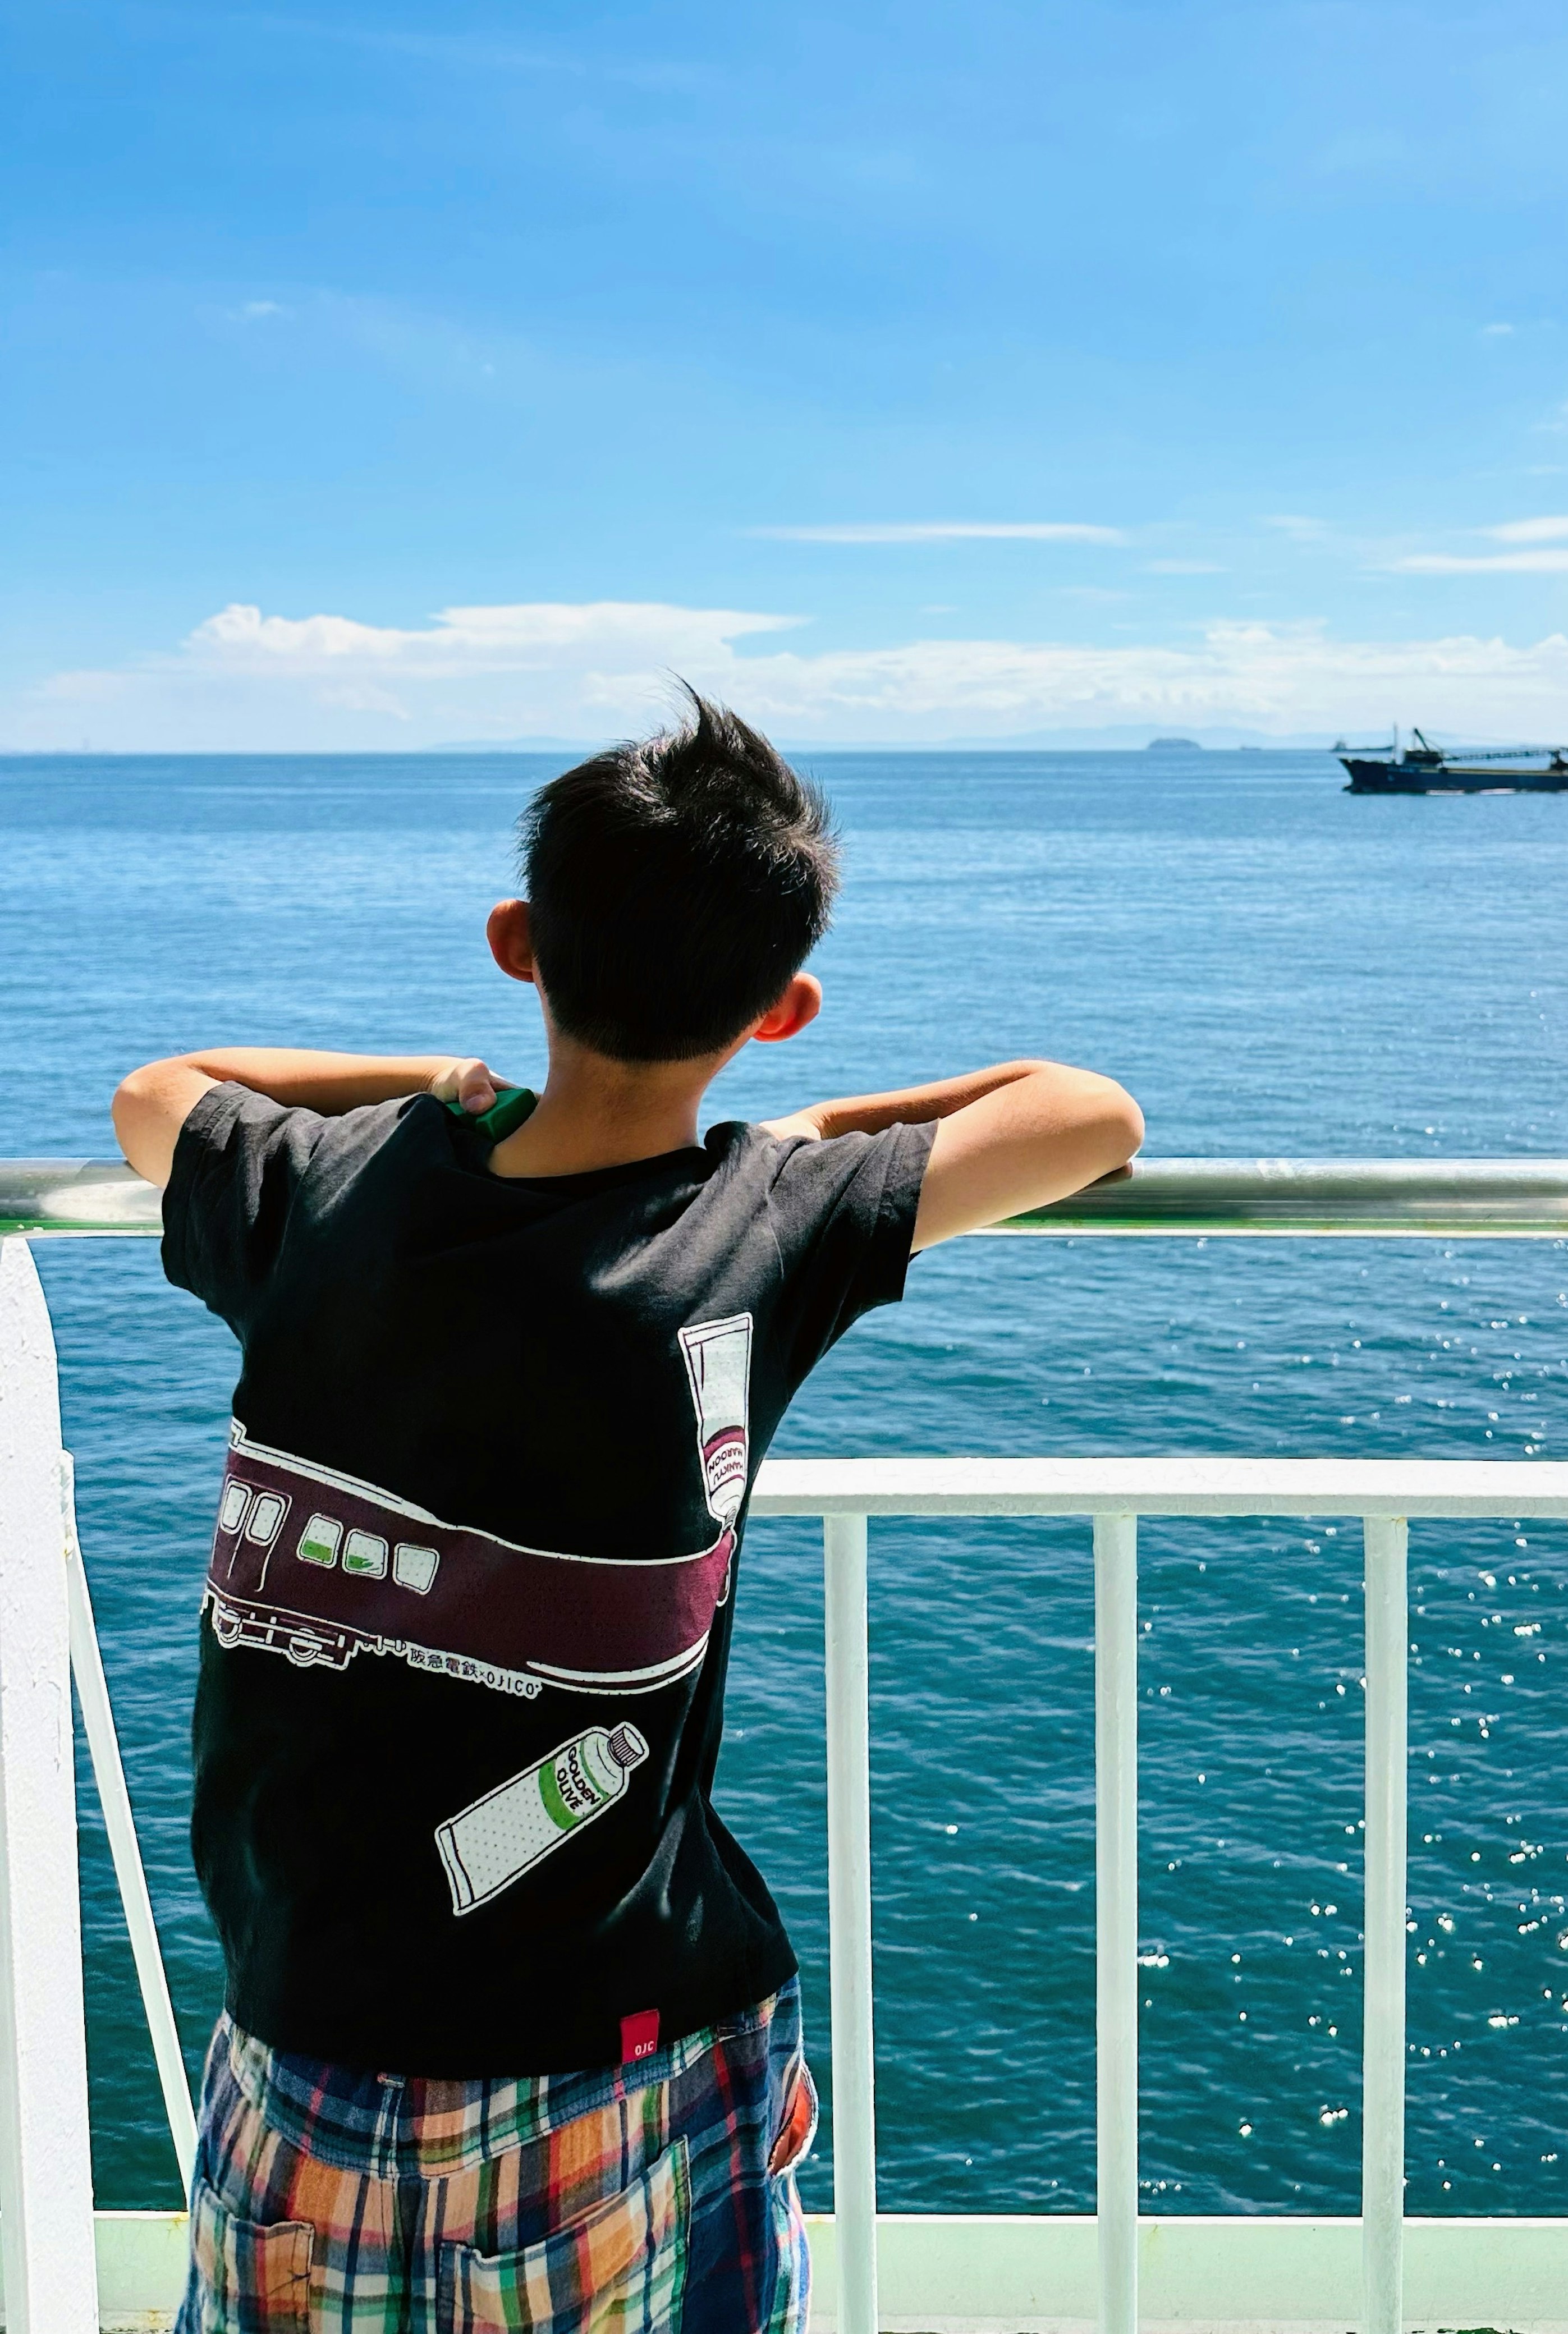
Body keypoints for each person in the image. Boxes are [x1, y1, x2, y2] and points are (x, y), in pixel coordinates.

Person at [113, 694, 1143, 2334]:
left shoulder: (319, 1195)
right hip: (625, 2063)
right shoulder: (762, 1230)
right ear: (784, 1011)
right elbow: (1091, 1112)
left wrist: (437, 1084)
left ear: (518, 941)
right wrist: (795, 1140)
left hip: (304, 2041)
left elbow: (163, 1091)